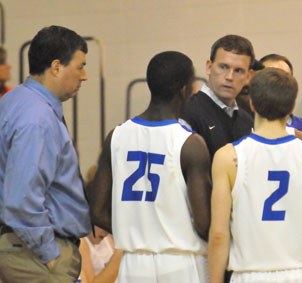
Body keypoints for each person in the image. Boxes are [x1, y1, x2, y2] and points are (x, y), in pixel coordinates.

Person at [89, 51, 211, 282]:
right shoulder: (190, 143)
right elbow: (203, 222)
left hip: (133, 263)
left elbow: (97, 211)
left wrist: (136, 233)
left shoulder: (115, 136)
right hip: (180, 262)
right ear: (185, 89)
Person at [209, 68, 302, 283]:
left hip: (248, 274)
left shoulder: (227, 156)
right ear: (292, 107)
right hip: (301, 273)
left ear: (252, 104)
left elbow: (219, 234)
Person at [0, 25, 91, 282]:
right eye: (80, 66)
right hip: (34, 253)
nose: (84, 76)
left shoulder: (13, 102)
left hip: (22, 246)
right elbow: (21, 199)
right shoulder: (37, 117)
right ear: (56, 67)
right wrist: (50, 256)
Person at [181, 34, 255, 159]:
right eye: (223, 67)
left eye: (238, 71)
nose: (229, 77)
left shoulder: (248, 121)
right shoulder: (187, 113)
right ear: (209, 67)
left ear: (249, 76)